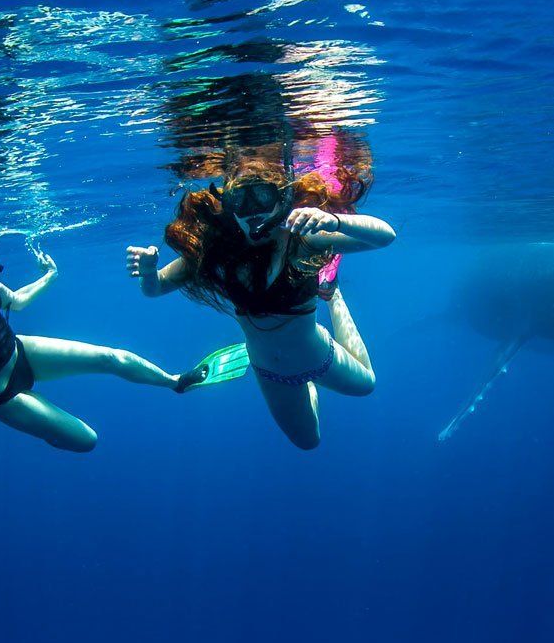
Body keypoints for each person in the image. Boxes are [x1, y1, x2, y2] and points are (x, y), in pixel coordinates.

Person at [0, 211, 247, 452]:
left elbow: (17, 302)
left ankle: (175, 381)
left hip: (20, 350)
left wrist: (50, 275)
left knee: (110, 358)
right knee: (85, 440)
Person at [126, 157, 395, 449]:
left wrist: (336, 221)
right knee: (308, 442)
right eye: (241, 199)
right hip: (271, 373)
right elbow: (155, 289)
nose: (252, 210)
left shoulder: (303, 240)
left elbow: (385, 237)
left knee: (367, 384)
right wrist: (150, 272)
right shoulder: (217, 251)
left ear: (281, 198)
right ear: (227, 204)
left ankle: (333, 295)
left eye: (262, 196)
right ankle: (308, 386)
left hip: (318, 357)